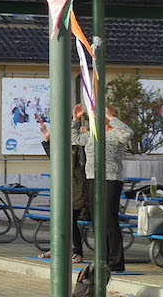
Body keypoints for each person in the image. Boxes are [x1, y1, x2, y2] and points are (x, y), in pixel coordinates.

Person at [80, 104, 132, 274]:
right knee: (97, 220)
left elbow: (128, 133)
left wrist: (112, 118)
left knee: (109, 219)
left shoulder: (117, 132)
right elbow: (74, 139)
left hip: (110, 178)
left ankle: (115, 262)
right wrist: (75, 120)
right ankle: (101, 257)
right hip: (92, 177)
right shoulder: (92, 133)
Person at [36, 116, 86, 264]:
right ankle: (56, 248)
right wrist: (47, 140)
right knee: (58, 220)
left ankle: (78, 252)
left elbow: (78, 164)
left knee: (71, 221)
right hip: (60, 190)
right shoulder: (61, 146)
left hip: (76, 190)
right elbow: (53, 157)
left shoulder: (78, 146)